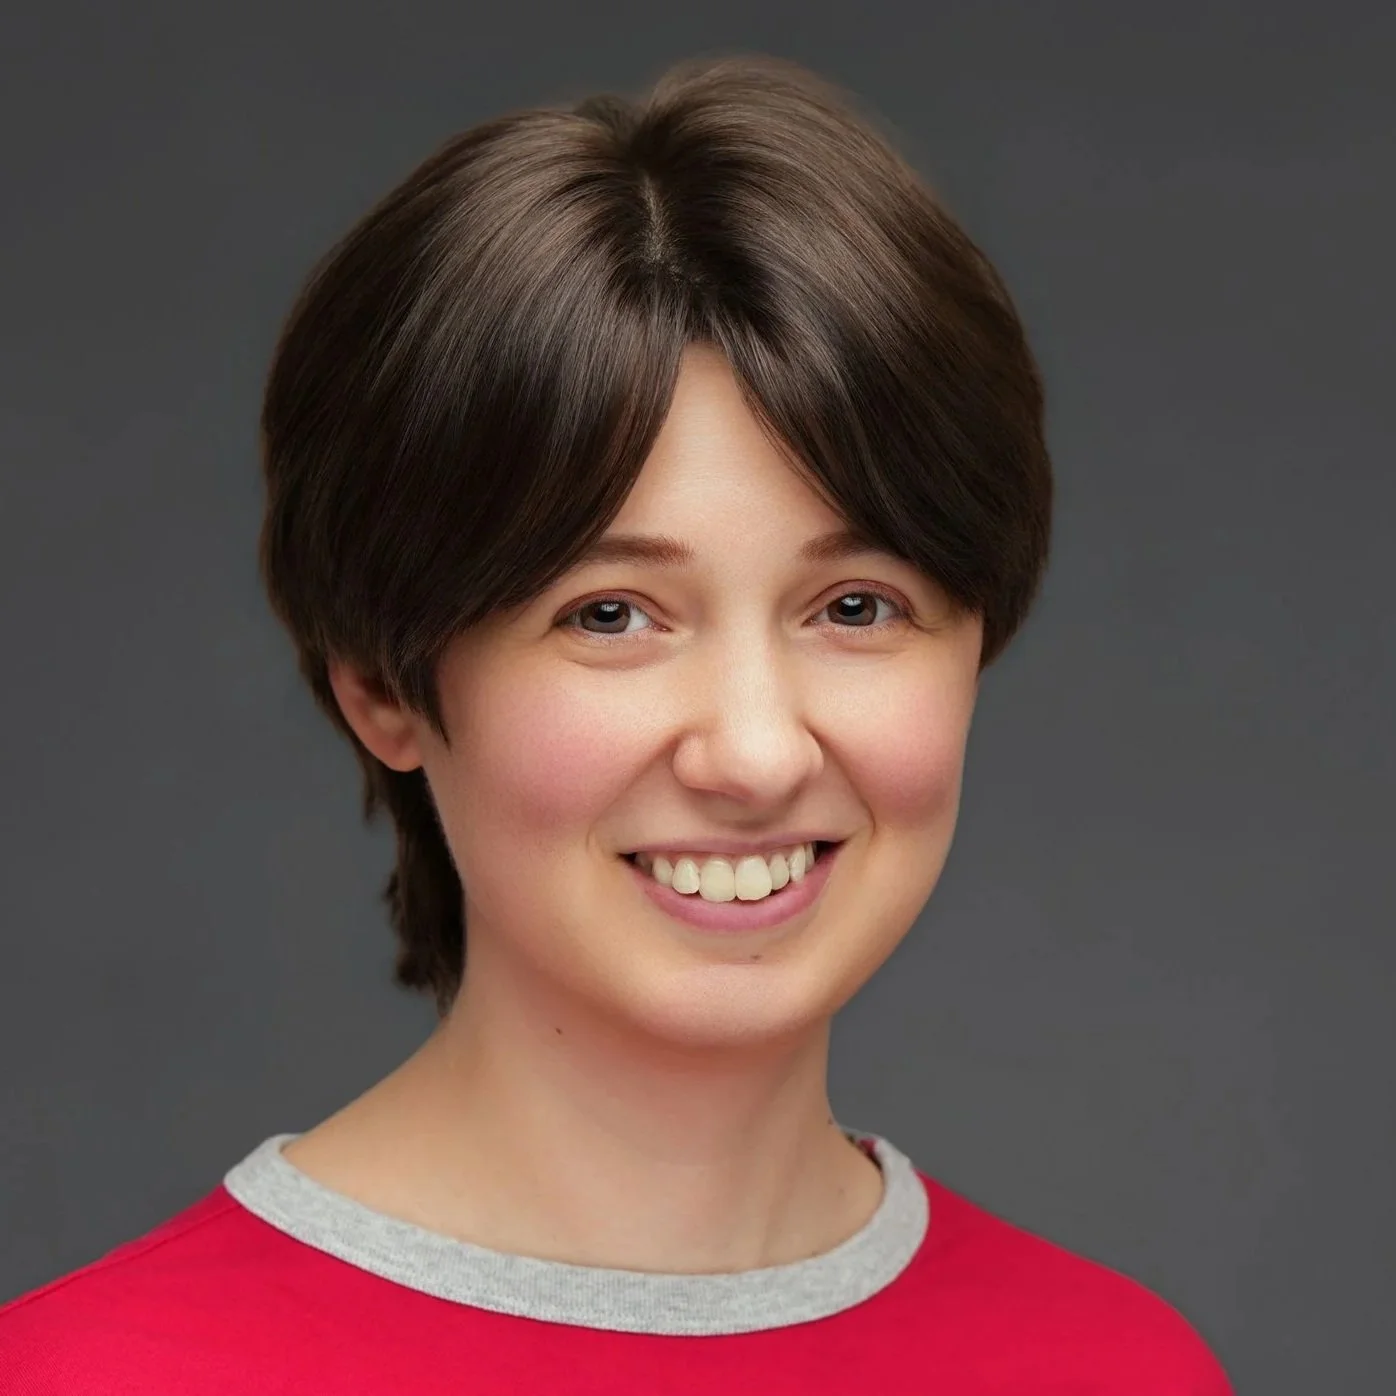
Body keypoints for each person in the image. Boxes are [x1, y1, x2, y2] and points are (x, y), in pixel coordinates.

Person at [0, 53, 1233, 1392]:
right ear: (382, 684)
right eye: (610, 615)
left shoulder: (1122, 1368)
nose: (756, 754)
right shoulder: (94, 1375)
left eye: (856, 607)